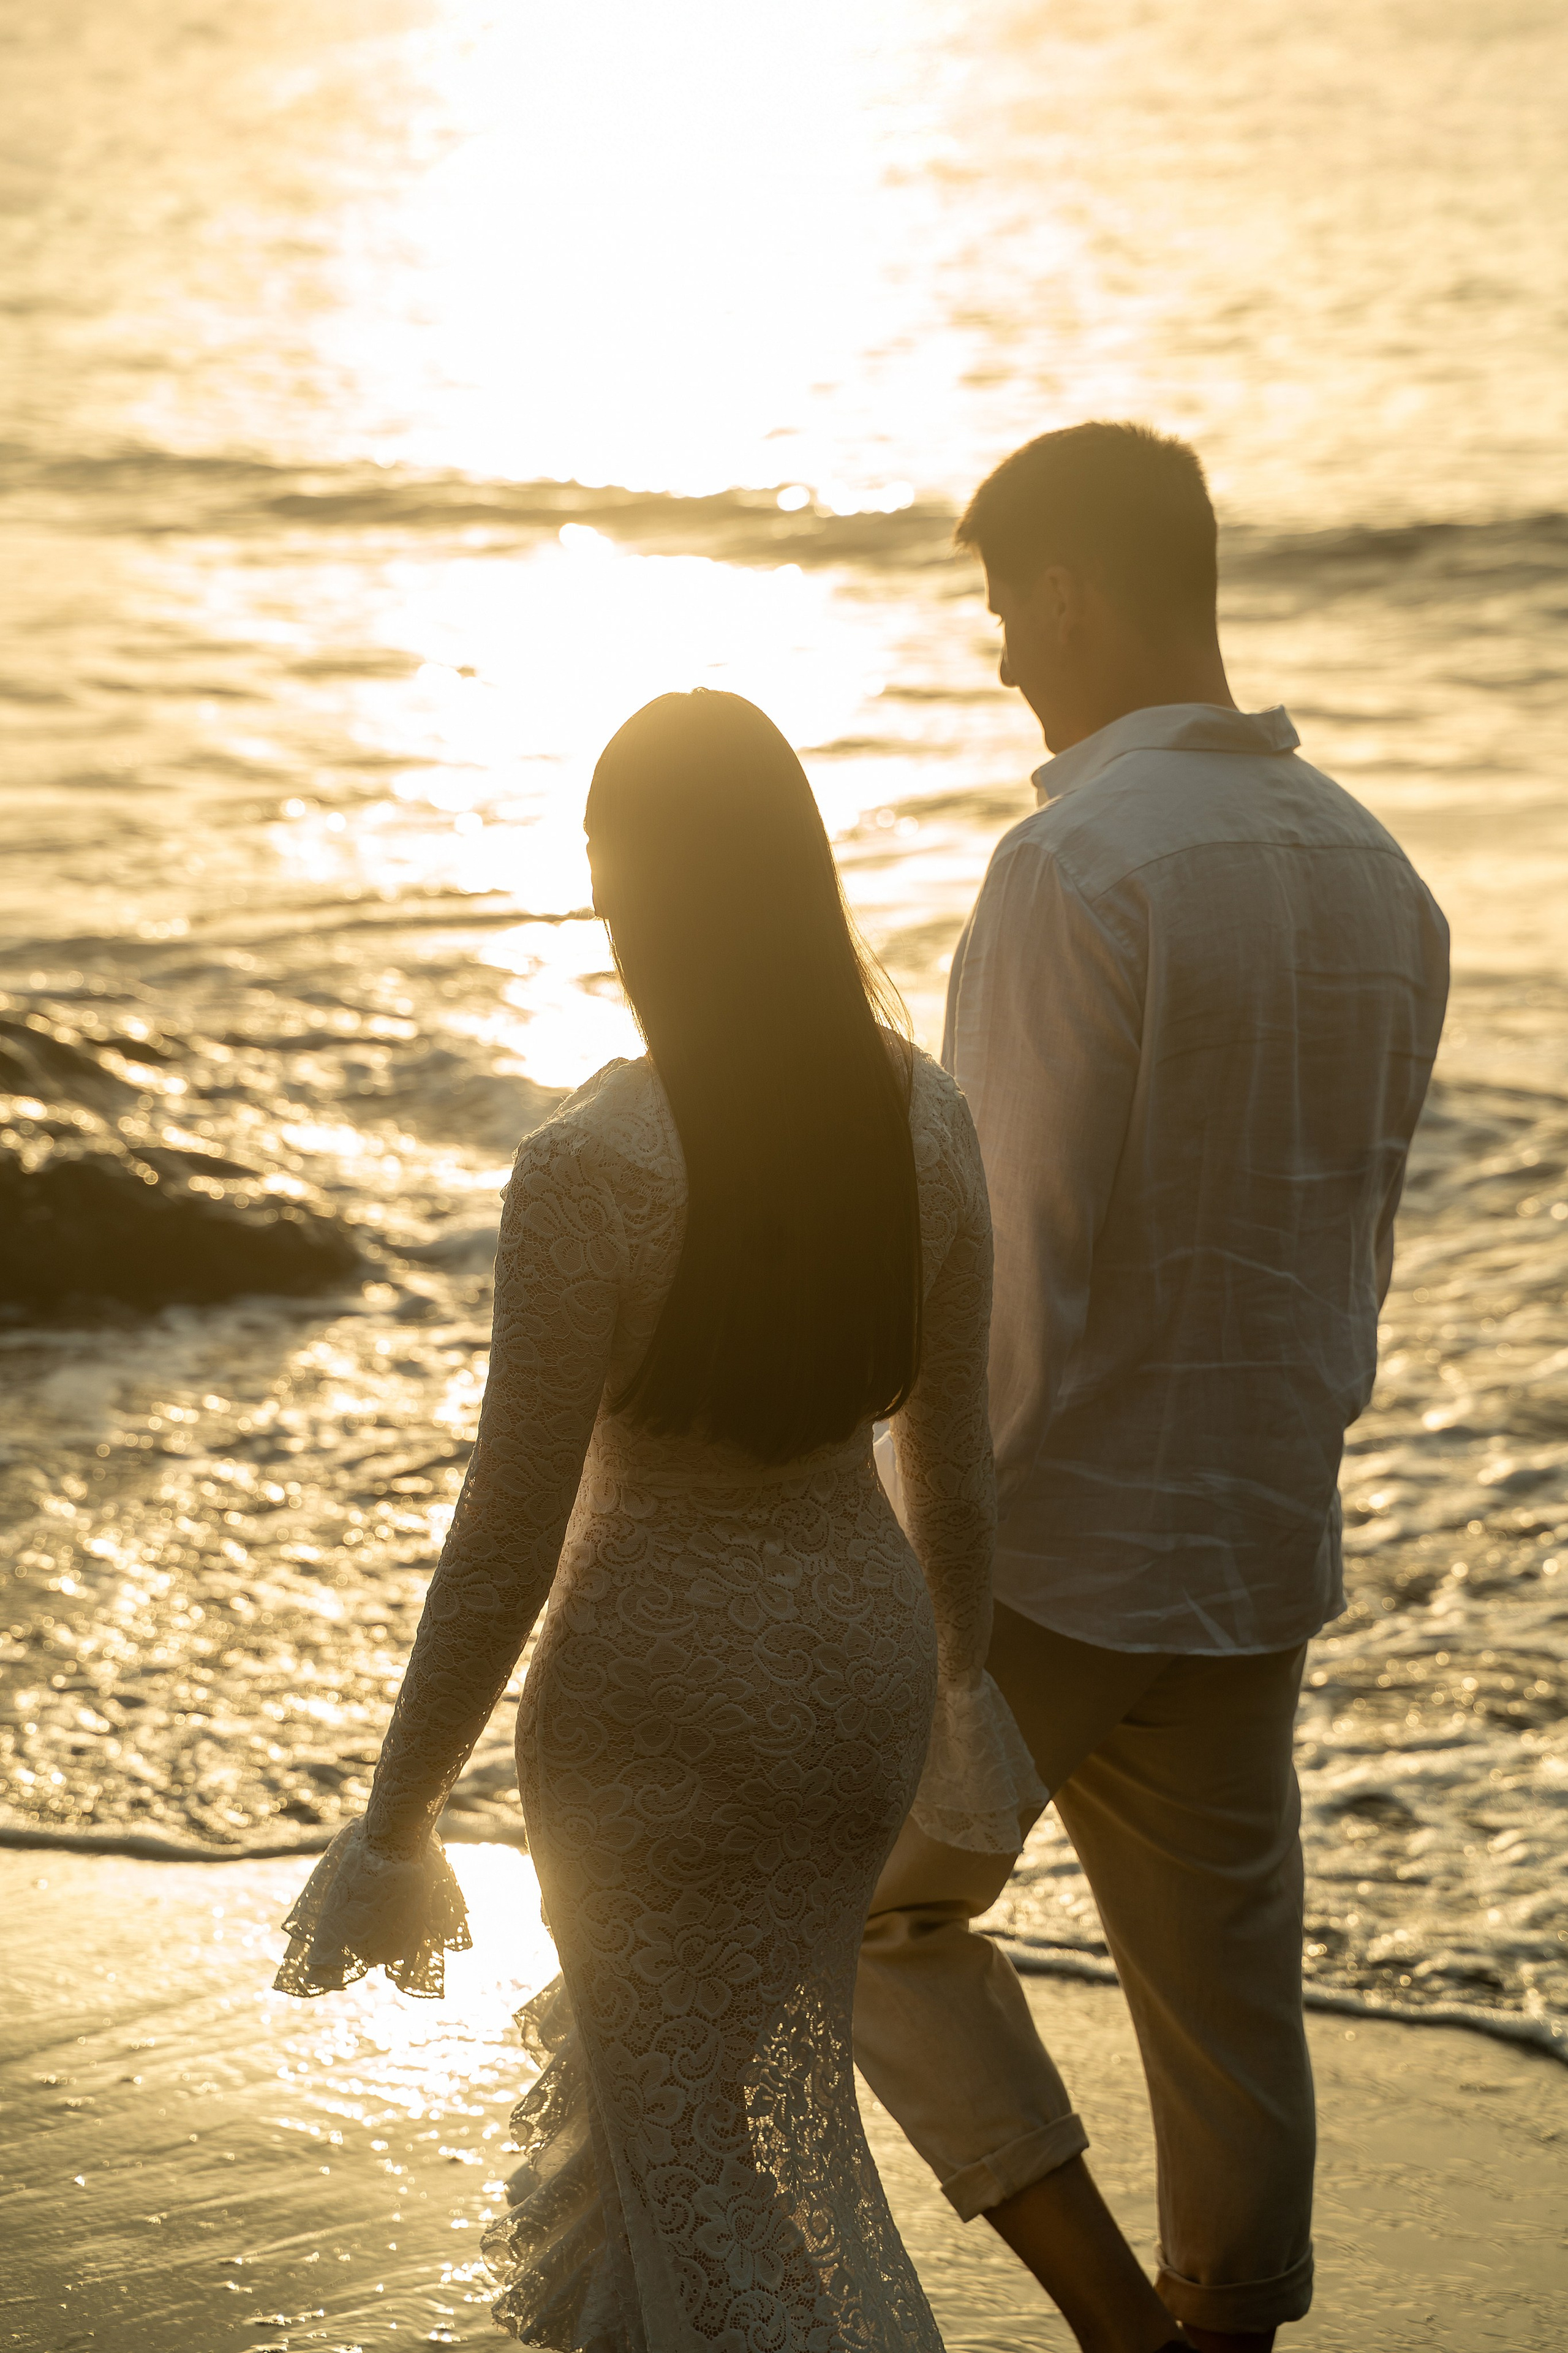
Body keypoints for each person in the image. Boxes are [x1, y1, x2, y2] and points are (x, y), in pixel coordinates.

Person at [272, 689, 1043, 2351]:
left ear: (636, 886)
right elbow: (957, 1467)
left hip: (656, 1706)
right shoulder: (925, 1121)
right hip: (857, 1672)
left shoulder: (589, 1167)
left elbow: (505, 1538)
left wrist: (398, 1816)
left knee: (687, 2152)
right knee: (701, 2125)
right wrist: (962, 1691)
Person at [854, 422, 1450, 2353]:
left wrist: (899, 1552)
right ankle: (1225, 2325)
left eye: (1005, 607)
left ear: (1076, 590)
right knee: (1225, 2000)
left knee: (851, 1904)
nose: (1002, 655)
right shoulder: (1382, 871)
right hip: (1259, 1517)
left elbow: (1006, 1268)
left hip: (1055, 1546)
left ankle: (1121, 2325)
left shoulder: (1074, 866)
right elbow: (1349, 1231)